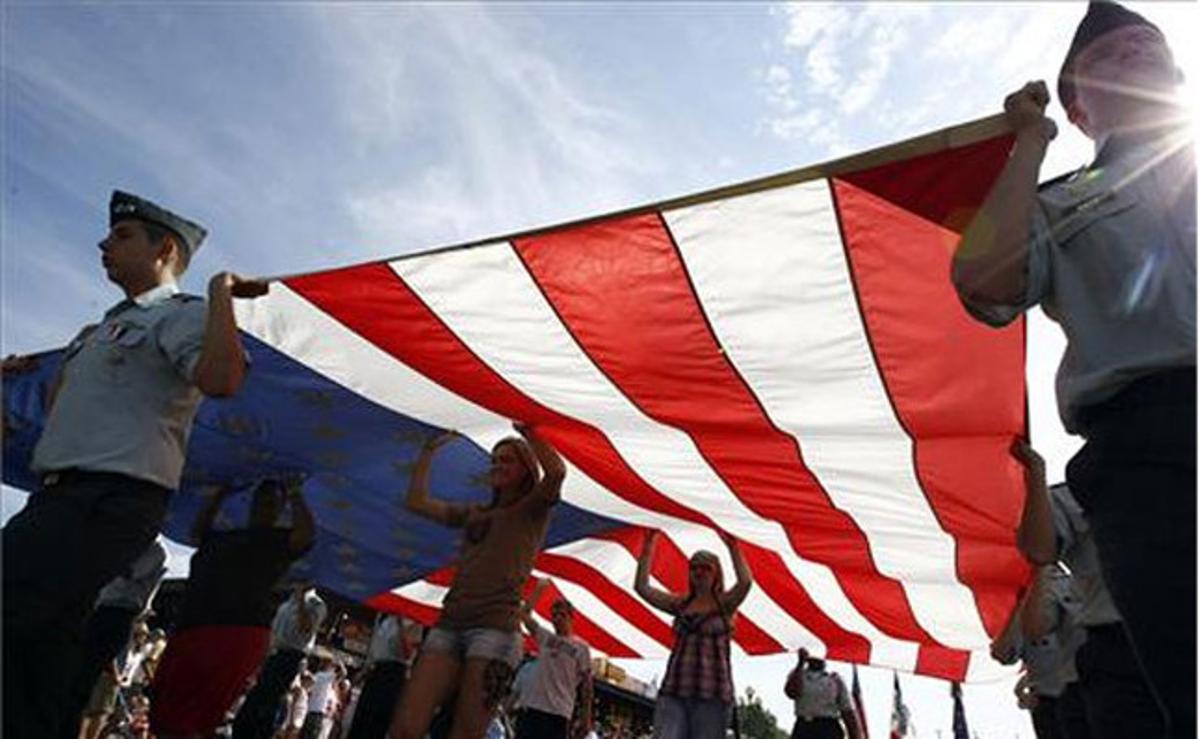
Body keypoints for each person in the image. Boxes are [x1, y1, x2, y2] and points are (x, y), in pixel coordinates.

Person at [950, 2, 1194, 735]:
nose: (1133, 56)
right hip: (1154, 453)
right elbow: (985, 280)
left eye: (1145, 47)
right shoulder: (1060, 202)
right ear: (1079, 106)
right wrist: (1029, 141)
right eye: (1108, 57)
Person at [1, 189, 266, 739]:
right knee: (43, 655)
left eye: (122, 235)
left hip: (110, 499)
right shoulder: (93, 335)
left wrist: (220, 296)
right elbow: (58, 425)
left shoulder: (182, 315)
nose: (104, 243)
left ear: (164, 248)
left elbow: (223, 379)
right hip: (60, 495)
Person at [391, 422, 566, 739]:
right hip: (450, 623)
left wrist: (528, 431)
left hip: (495, 630)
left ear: (527, 469)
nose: (498, 465)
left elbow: (556, 473)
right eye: (495, 460)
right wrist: (429, 453)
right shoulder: (474, 513)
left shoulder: (532, 509)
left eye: (507, 460)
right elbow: (416, 502)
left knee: (467, 733)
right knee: (405, 727)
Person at [1012, 442, 1163, 737]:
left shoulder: (1176, 472)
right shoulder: (1074, 493)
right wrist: (1035, 477)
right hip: (1120, 648)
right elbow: (1039, 551)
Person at [150, 477, 316, 738]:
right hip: (194, 626)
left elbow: (305, 535)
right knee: (166, 711)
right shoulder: (226, 538)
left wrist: (295, 493)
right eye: (261, 499)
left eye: (273, 501)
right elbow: (199, 532)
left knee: (194, 716)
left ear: (281, 507)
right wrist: (219, 495)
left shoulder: (276, 541)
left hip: (237, 631)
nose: (265, 506)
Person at [633, 529, 752, 739]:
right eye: (694, 567)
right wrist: (649, 545)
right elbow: (642, 587)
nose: (699, 571)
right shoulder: (680, 604)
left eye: (706, 567)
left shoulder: (725, 605)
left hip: (712, 693)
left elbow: (745, 583)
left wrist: (733, 547)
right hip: (676, 688)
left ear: (716, 573)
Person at [60, 537, 169, 739]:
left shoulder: (155, 550)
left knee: (89, 687)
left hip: (118, 612)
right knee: (76, 682)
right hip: (100, 609)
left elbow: (126, 572)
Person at [235, 584, 330, 738]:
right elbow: (275, 632)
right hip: (274, 654)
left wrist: (301, 599)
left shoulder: (317, 604)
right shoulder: (286, 603)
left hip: (291, 656)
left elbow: (306, 628)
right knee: (254, 702)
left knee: (269, 704)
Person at [515, 580, 594, 739]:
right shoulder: (545, 637)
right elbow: (523, 615)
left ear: (571, 618)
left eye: (562, 615)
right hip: (533, 706)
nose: (557, 618)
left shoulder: (581, 647)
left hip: (558, 712)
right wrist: (538, 589)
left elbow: (587, 685)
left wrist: (586, 717)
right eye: (555, 614)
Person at [348, 614, 422, 739]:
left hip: (394, 672)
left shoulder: (414, 620)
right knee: (362, 718)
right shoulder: (382, 617)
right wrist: (364, 670)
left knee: (377, 721)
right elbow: (375, 648)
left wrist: (401, 624)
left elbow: (408, 654)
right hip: (376, 670)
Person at [783, 650, 862, 739]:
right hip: (804, 727)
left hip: (828, 727)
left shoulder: (835, 679)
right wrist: (800, 663)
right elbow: (791, 692)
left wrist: (856, 736)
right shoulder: (798, 675)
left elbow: (848, 712)